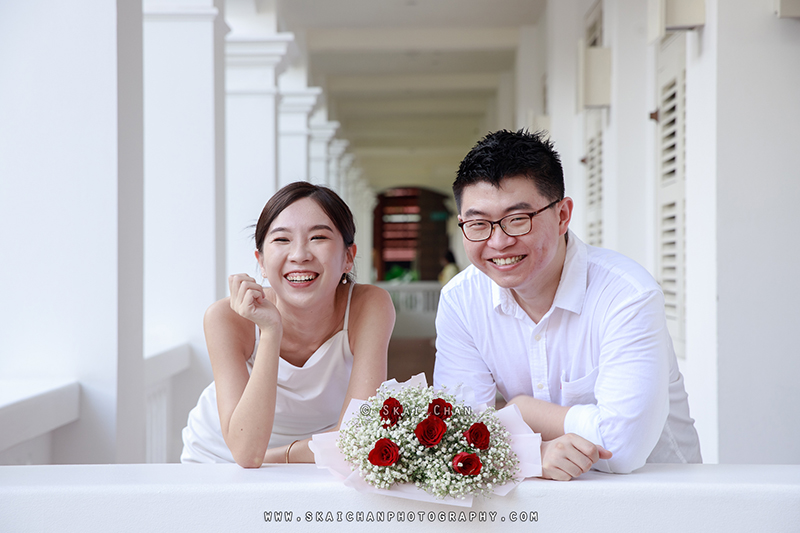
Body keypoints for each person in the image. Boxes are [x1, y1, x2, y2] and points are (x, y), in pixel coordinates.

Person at [433, 130, 701, 481]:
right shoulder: (461, 301)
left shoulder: (627, 295)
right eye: (479, 224)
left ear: (562, 215)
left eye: (518, 219)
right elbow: (457, 435)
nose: (498, 242)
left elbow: (622, 448)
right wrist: (532, 454)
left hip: (658, 499)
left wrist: (522, 411)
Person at [181, 182, 395, 467]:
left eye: (318, 237)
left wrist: (282, 455)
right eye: (282, 240)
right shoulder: (228, 317)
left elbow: (359, 432)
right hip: (222, 458)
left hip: (326, 457)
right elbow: (246, 453)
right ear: (261, 262)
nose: (299, 255)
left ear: (348, 257)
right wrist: (270, 331)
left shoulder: (370, 306)